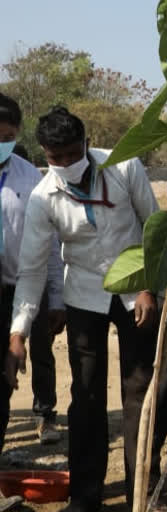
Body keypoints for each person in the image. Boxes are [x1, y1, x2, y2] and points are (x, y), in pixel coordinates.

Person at [4, 107, 167, 512]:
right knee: (86, 396)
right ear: (44, 154)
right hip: (85, 298)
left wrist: (149, 285)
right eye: (54, 159)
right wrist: (18, 332)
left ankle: (140, 493)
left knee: (138, 393)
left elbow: (155, 229)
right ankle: (85, 495)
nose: (64, 165)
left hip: (135, 295)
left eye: (72, 155)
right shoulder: (44, 196)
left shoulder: (125, 167)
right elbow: (32, 269)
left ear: (87, 144)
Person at [0, 94, 65, 452]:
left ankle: (45, 414)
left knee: (34, 354)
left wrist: (56, 296)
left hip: (26, 287)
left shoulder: (33, 181)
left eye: (7, 136)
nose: (1, 144)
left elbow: (50, 245)